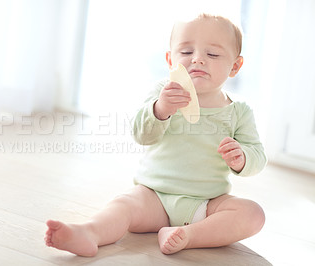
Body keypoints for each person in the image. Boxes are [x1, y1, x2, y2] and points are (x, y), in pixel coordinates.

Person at [45, 13, 267, 257]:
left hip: (207, 204)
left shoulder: (239, 112)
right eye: (185, 52)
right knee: (124, 206)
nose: (197, 60)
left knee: (253, 214)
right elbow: (140, 134)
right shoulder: (163, 93)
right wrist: (160, 110)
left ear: (235, 66)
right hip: (154, 196)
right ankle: (89, 232)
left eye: (212, 54)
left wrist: (242, 157)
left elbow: (257, 155)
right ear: (170, 59)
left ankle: (189, 235)